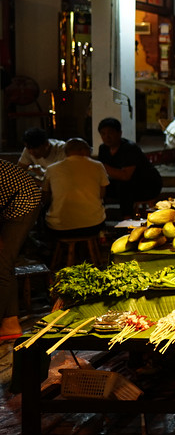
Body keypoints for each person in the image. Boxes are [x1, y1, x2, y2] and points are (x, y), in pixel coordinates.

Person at [1, 160, 42, 341]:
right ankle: (10, 323)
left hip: (23, 199)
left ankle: (9, 323)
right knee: (3, 263)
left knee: (1, 262)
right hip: (8, 200)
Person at [96, 117, 163, 219]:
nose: (107, 137)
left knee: (125, 186)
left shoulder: (129, 148)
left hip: (147, 185)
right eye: (103, 134)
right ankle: (98, 218)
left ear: (119, 133)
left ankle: (126, 219)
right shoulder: (103, 149)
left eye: (110, 133)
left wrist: (102, 166)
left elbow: (125, 176)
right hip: (122, 183)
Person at [42, 138, 108, 239]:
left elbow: (45, 197)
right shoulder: (98, 166)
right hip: (93, 225)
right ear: (84, 151)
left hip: (59, 228)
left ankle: (49, 249)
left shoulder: (51, 169)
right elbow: (102, 194)